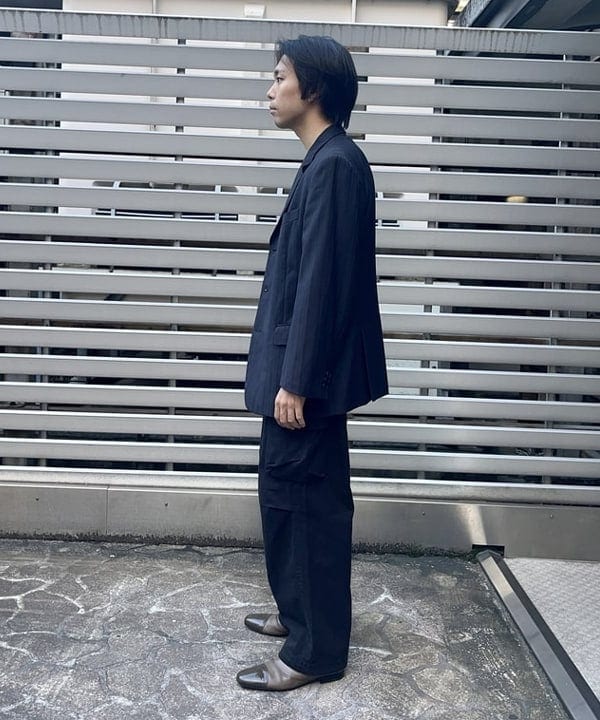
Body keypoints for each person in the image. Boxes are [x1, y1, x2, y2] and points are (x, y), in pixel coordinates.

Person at [238, 35, 388, 692]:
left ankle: (314, 652)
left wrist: (296, 380)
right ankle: (299, 614)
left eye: (280, 77)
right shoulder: (326, 161)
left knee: (305, 507)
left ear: (315, 88)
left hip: (305, 381)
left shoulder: (333, 166)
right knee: (288, 498)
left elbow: (323, 284)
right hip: (299, 374)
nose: (270, 90)